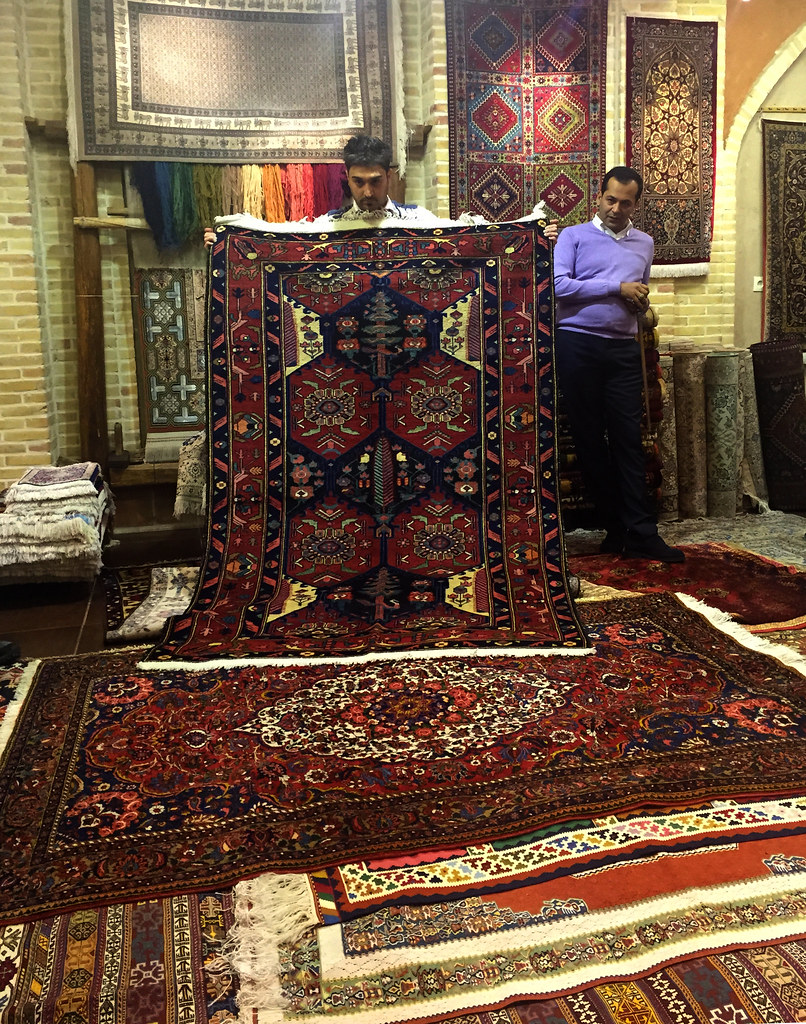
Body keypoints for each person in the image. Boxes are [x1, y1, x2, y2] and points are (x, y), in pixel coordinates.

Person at [552, 166, 684, 563]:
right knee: (590, 440)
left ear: (635, 205)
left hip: (623, 350)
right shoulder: (572, 236)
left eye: (625, 203)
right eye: (610, 199)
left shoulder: (645, 243)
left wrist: (638, 299)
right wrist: (616, 287)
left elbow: (638, 292)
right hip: (577, 345)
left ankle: (641, 532)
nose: (616, 208)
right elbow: (558, 286)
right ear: (599, 196)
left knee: (629, 439)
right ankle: (613, 529)